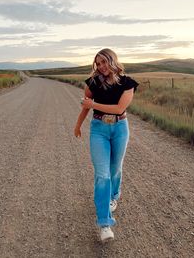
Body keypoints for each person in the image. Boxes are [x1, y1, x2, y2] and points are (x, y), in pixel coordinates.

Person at [74, 48, 138, 243]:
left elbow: (119, 108)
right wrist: (77, 125)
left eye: (104, 62)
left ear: (113, 61)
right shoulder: (92, 82)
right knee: (102, 174)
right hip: (99, 130)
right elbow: (86, 105)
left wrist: (93, 104)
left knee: (115, 168)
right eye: (98, 63)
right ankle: (104, 224)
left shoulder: (128, 83)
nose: (101, 66)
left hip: (120, 128)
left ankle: (113, 196)